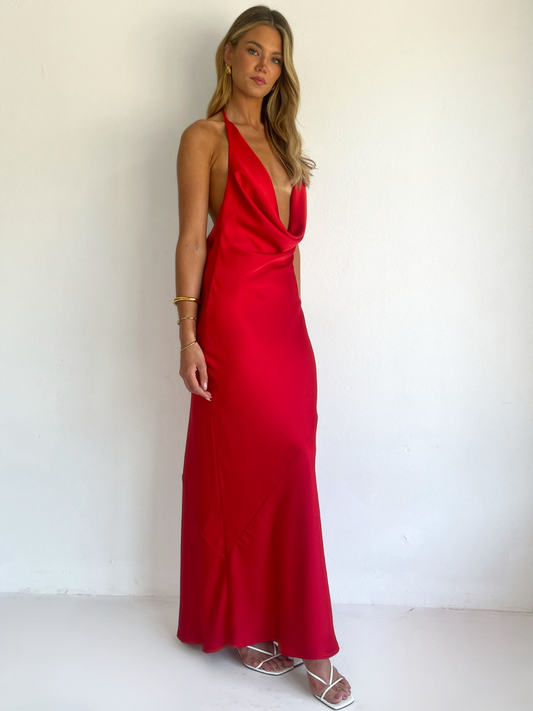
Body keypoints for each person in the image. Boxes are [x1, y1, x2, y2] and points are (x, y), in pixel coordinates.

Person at [173, 6, 354, 709]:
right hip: (233, 325)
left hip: (284, 329)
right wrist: (188, 335)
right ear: (228, 55)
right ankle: (312, 644)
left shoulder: (284, 142)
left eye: (275, 58)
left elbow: (290, 248)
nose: (263, 66)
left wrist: (294, 324)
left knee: (288, 462)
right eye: (253, 50)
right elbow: (193, 239)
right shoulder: (204, 137)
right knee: (254, 468)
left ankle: (254, 626)